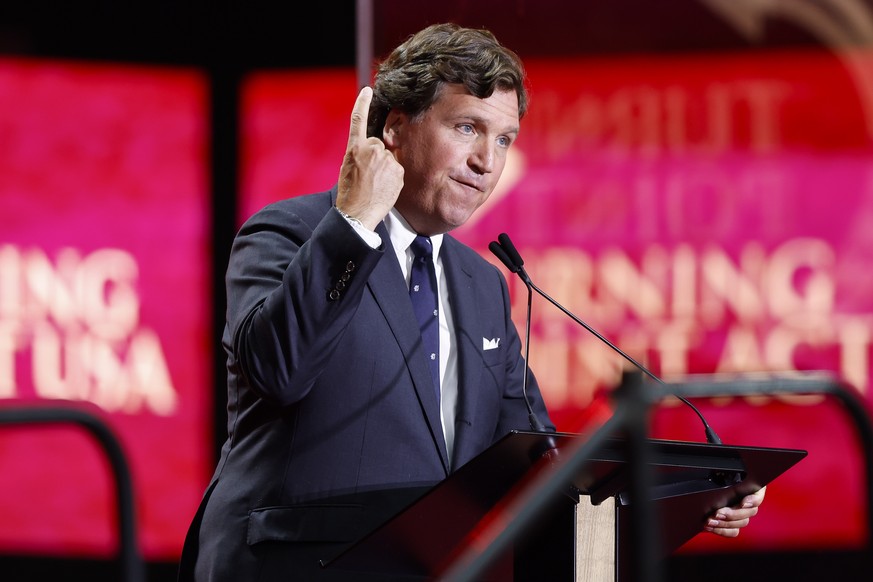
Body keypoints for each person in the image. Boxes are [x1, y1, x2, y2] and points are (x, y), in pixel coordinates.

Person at [178, 22, 765, 582]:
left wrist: (690, 496)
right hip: (293, 567)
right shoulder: (289, 233)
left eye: (504, 139)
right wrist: (354, 222)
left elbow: (539, 463)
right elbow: (279, 372)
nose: (487, 162)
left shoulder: (481, 283)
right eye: (467, 128)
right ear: (396, 127)